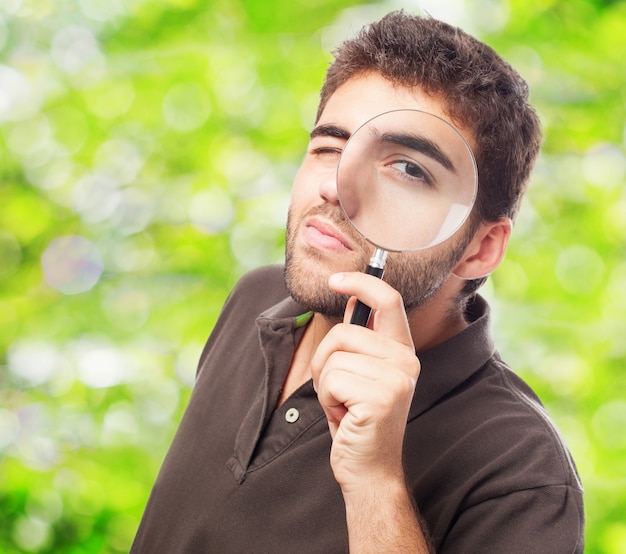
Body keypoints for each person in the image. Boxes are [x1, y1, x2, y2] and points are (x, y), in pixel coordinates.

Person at [131, 10, 584, 553]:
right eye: (329, 146)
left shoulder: (521, 472)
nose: (339, 189)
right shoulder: (256, 297)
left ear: (481, 248)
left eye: (409, 169)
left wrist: (374, 480)